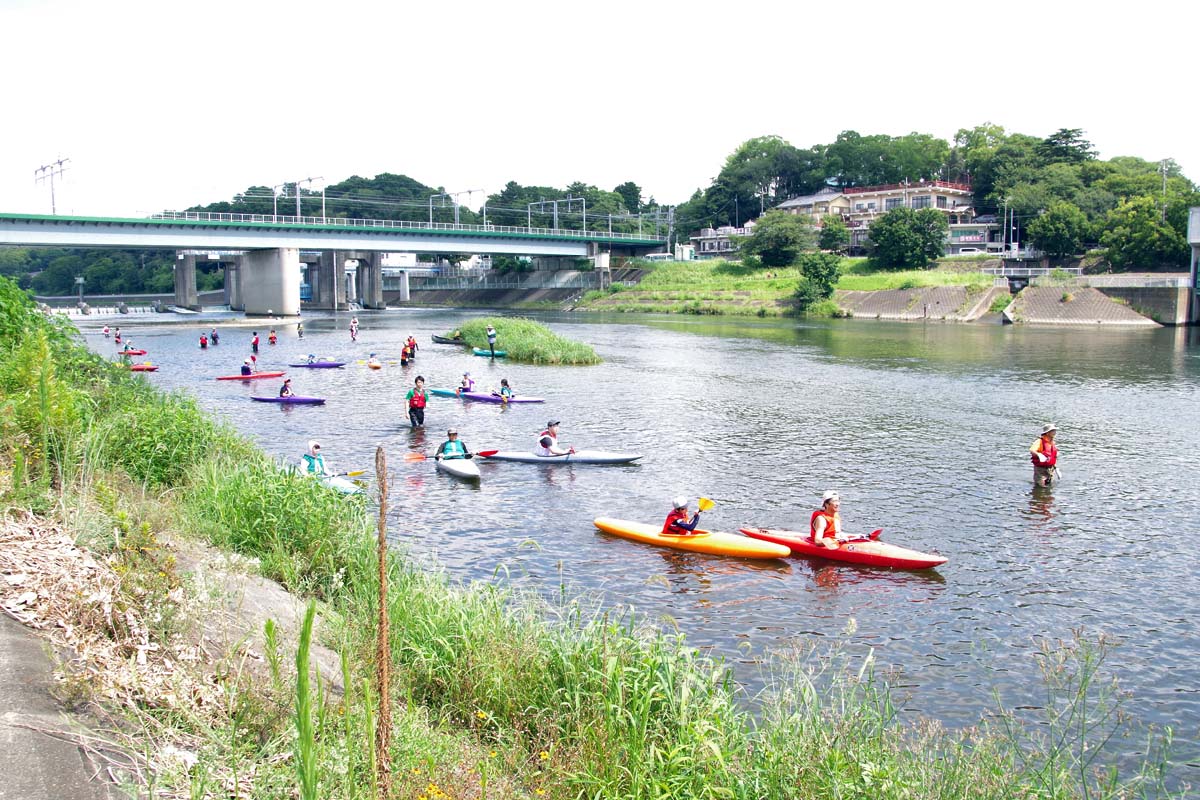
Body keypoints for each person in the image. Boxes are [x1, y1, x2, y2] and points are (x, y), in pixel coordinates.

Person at [1030, 423, 1060, 487]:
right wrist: (1039, 455)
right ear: (1047, 433)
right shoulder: (1039, 441)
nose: (1055, 432)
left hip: (1050, 469)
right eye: (1053, 431)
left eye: (1055, 430)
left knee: (1049, 486)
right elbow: (1032, 450)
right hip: (1040, 470)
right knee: (1041, 487)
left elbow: (1052, 456)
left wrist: (1056, 468)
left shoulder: (1052, 442)